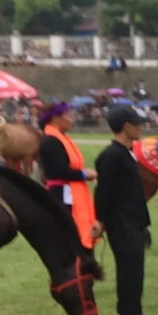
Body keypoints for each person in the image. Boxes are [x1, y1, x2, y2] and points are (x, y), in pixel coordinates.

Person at [94, 103, 156, 315]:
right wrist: (100, 220)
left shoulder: (125, 153)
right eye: (137, 124)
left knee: (135, 272)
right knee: (129, 272)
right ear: (126, 127)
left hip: (134, 220)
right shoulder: (111, 156)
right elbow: (103, 192)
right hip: (122, 223)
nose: (141, 128)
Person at [36, 101, 99, 251]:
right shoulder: (50, 141)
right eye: (68, 116)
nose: (72, 119)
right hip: (61, 193)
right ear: (55, 118)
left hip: (69, 191)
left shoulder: (60, 138)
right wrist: (83, 174)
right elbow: (59, 171)